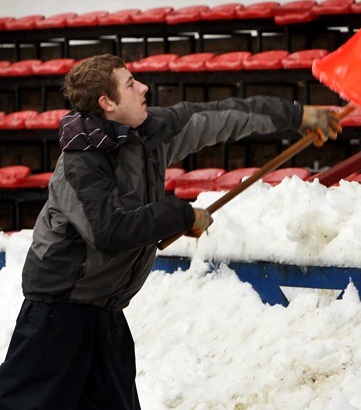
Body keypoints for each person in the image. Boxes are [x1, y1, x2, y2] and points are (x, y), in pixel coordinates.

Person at [0, 54, 341, 409]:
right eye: (131, 84)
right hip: (57, 314)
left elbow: (221, 116)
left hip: (106, 311)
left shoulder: (152, 132)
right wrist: (179, 215)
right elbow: (109, 231)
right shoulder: (82, 162)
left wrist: (297, 116)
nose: (144, 88)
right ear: (108, 103)